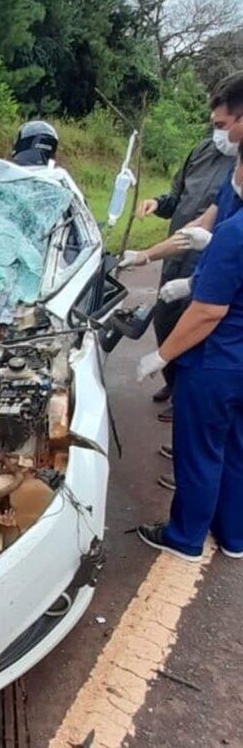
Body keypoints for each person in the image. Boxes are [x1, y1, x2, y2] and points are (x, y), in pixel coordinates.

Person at [134, 143, 243, 562]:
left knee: (200, 452)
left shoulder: (234, 233)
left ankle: (185, 539)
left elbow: (208, 311)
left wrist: (161, 356)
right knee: (235, 449)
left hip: (217, 361)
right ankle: (233, 536)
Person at [127, 74, 243, 415]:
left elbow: (209, 310)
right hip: (186, 261)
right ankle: (178, 385)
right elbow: (193, 214)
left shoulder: (235, 167)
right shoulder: (206, 154)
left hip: (223, 343)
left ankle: (186, 398)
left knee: (196, 339)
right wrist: (145, 256)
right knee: (166, 319)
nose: (219, 133)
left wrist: (158, 357)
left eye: (223, 124)